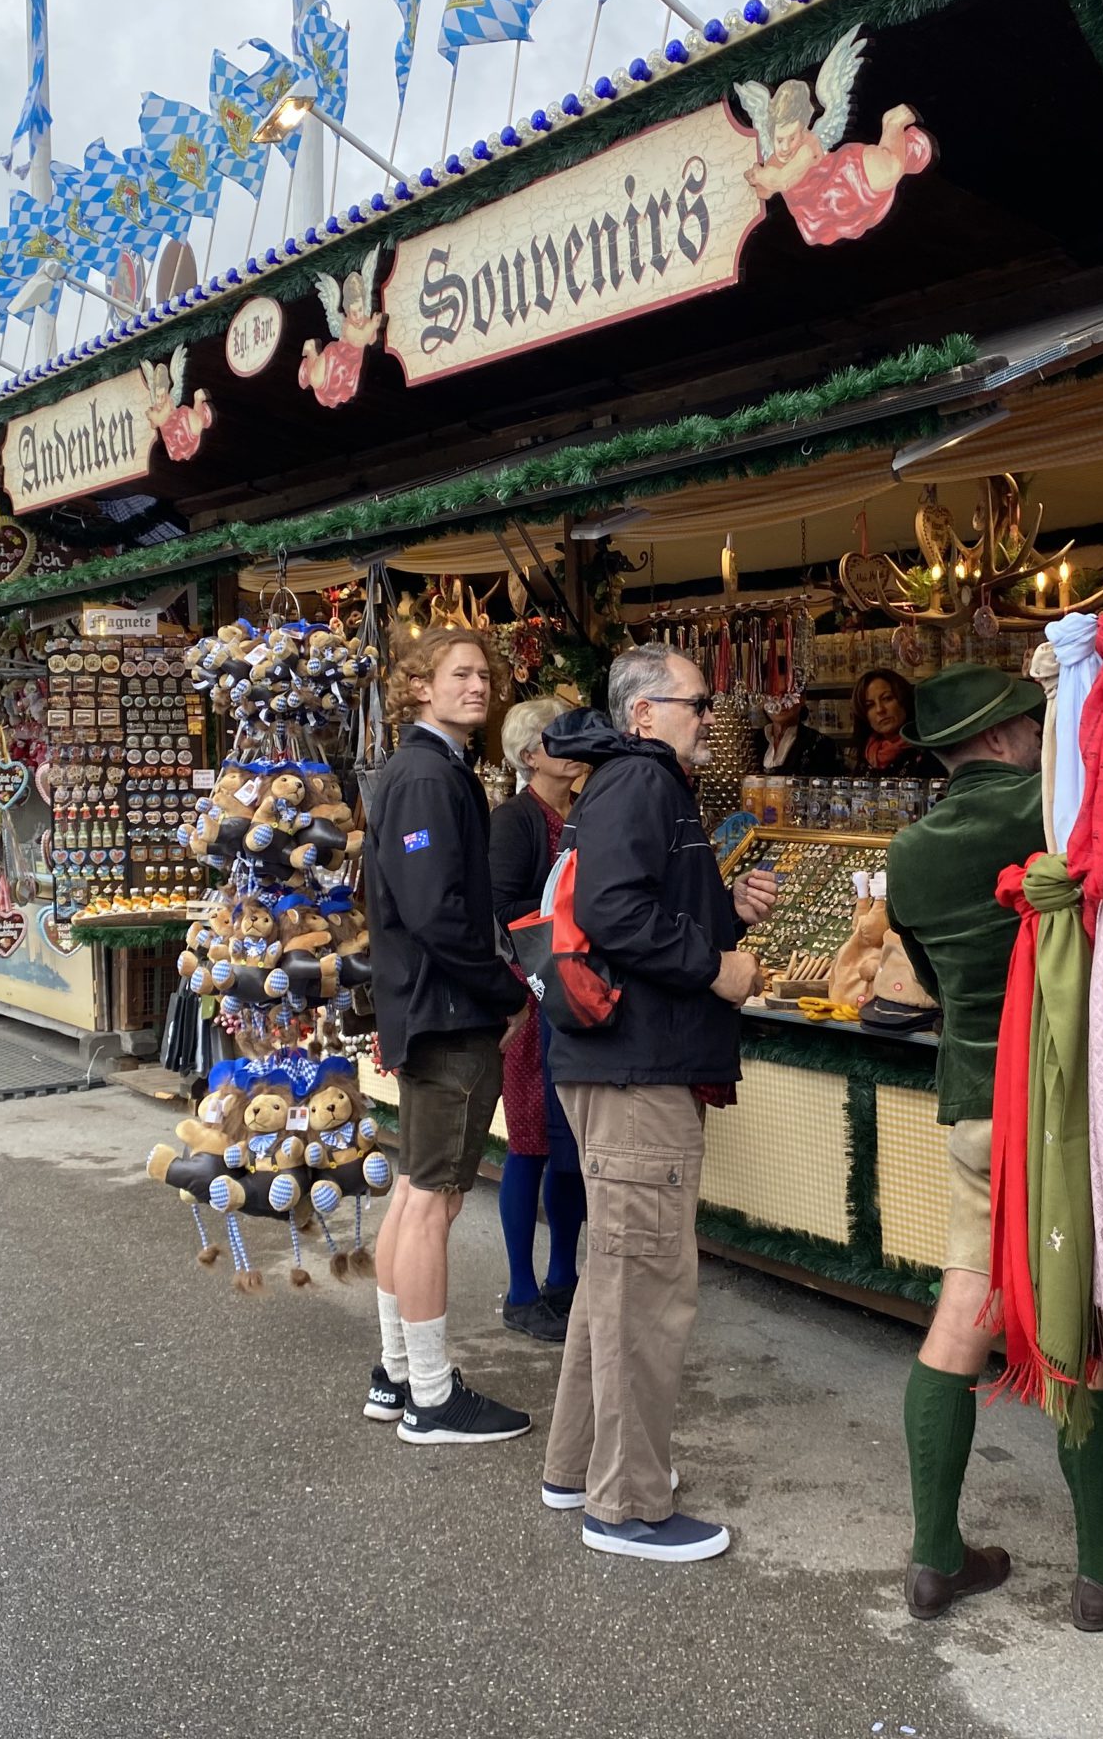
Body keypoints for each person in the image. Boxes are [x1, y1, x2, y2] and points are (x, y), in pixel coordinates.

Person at [883, 664, 1103, 1632]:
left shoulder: (908, 850)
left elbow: (928, 981)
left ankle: (936, 1559)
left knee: (960, 1313)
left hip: (973, 1107)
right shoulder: (1053, 809)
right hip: (1066, 1112)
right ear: (1010, 732)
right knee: (1087, 1328)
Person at [538, 642, 778, 1563]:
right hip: (640, 1070)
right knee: (647, 1286)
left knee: (615, 1271)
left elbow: (639, 905)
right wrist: (718, 967)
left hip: (624, 1062)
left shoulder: (634, 783)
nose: (709, 714)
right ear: (644, 714)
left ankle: (576, 1468)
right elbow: (616, 913)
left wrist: (727, 910)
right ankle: (628, 1505)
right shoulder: (642, 783)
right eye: (697, 701)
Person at [362, 627, 537, 1445]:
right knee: (433, 1200)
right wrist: (505, 988)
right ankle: (430, 1397)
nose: (479, 685)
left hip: (425, 1007)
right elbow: (438, 912)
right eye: (460, 673)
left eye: (485, 673)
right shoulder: (429, 777)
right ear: (420, 686)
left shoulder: (427, 770)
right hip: (447, 1012)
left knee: (413, 1190)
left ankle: (396, 1375)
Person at [488, 695, 588, 1344]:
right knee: (530, 1143)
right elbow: (497, 913)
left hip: (565, 999)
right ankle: (523, 1289)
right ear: (531, 756)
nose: (573, 748)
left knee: (569, 1147)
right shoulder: (516, 820)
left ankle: (563, 1278)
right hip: (531, 1000)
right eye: (559, 739)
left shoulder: (575, 814)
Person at [852, 668, 939, 779]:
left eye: (887, 698)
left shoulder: (929, 752)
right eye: (870, 705)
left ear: (903, 699)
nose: (880, 709)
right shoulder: (866, 756)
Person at [757, 694, 843, 778]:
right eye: (773, 694)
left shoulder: (824, 746)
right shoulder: (749, 741)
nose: (780, 701)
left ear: (802, 698)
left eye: (787, 694)